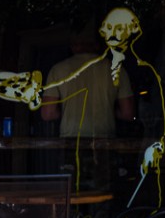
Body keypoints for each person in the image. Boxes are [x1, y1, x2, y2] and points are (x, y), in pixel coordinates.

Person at [40, 26, 135, 191]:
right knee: (102, 195)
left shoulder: (58, 70)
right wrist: (108, 109)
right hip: (104, 142)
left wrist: (68, 109)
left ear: (73, 46)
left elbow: (48, 114)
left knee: (71, 195)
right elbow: (128, 113)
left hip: (71, 142)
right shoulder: (116, 69)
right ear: (98, 45)